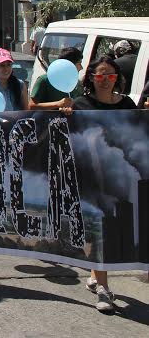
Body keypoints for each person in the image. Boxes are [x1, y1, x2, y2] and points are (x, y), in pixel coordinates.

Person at [71, 56, 138, 312]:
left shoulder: (128, 104)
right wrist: (66, 115)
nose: (106, 80)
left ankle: (95, 274)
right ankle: (104, 289)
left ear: (118, 78)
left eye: (111, 75)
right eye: (100, 75)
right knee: (100, 227)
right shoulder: (81, 104)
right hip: (91, 176)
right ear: (91, 78)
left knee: (112, 226)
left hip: (121, 175)